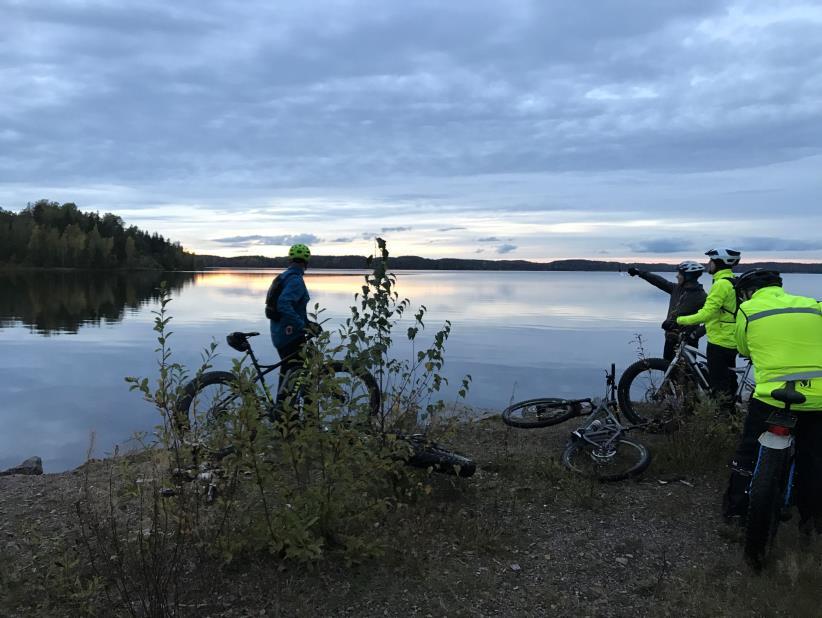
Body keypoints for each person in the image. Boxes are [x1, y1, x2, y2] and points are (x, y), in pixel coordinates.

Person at [722, 269, 822, 530]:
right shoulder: (813, 305)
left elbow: (743, 348)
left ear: (749, 292)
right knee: (813, 457)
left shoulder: (747, 309)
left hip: (772, 397)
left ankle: (736, 511)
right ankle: (812, 518)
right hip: (817, 397)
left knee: (749, 451)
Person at [676, 248, 742, 414]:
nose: (708, 264)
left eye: (711, 261)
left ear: (718, 263)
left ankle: (723, 419)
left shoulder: (720, 284)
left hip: (719, 341)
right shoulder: (732, 281)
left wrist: (679, 320)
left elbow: (707, 313)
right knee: (728, 378)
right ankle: (732, 411)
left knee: (719, 384)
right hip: (732, 339)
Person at [628, 261, 707, 361]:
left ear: (688, 276)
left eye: (679, 274)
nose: (677, 276)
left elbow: (713, 318)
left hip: (687, 342)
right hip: (670, 338)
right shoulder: (676, 289)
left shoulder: (702, 297)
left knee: (685, 374)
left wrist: (695, 334)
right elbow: (659, 281)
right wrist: (639, 273)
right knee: (667, 371)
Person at [267, 243, 315, 391]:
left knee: (290, 373)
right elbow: (284, 305)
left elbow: (295, 309)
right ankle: (293, 411)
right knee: (303, 370)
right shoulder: (295, 281)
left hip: (279, 333)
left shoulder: (283, 277)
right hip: (290, 336)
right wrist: (303, 325)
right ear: (306, 262)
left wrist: (308, 323)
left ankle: (283, 410)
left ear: (290, 260)